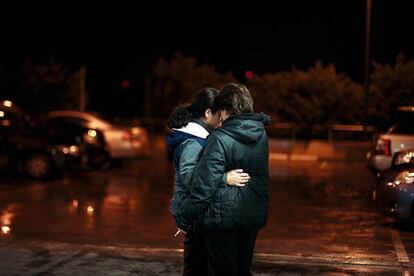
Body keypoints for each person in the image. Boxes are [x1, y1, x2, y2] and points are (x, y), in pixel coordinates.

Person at [175, 83, 271, 276]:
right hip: (252, 214)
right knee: (243, 269)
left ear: (226, 109)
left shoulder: (220, 137)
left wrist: (184, 217)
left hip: (222, 218)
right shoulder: (261, 135)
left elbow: (204, 185)